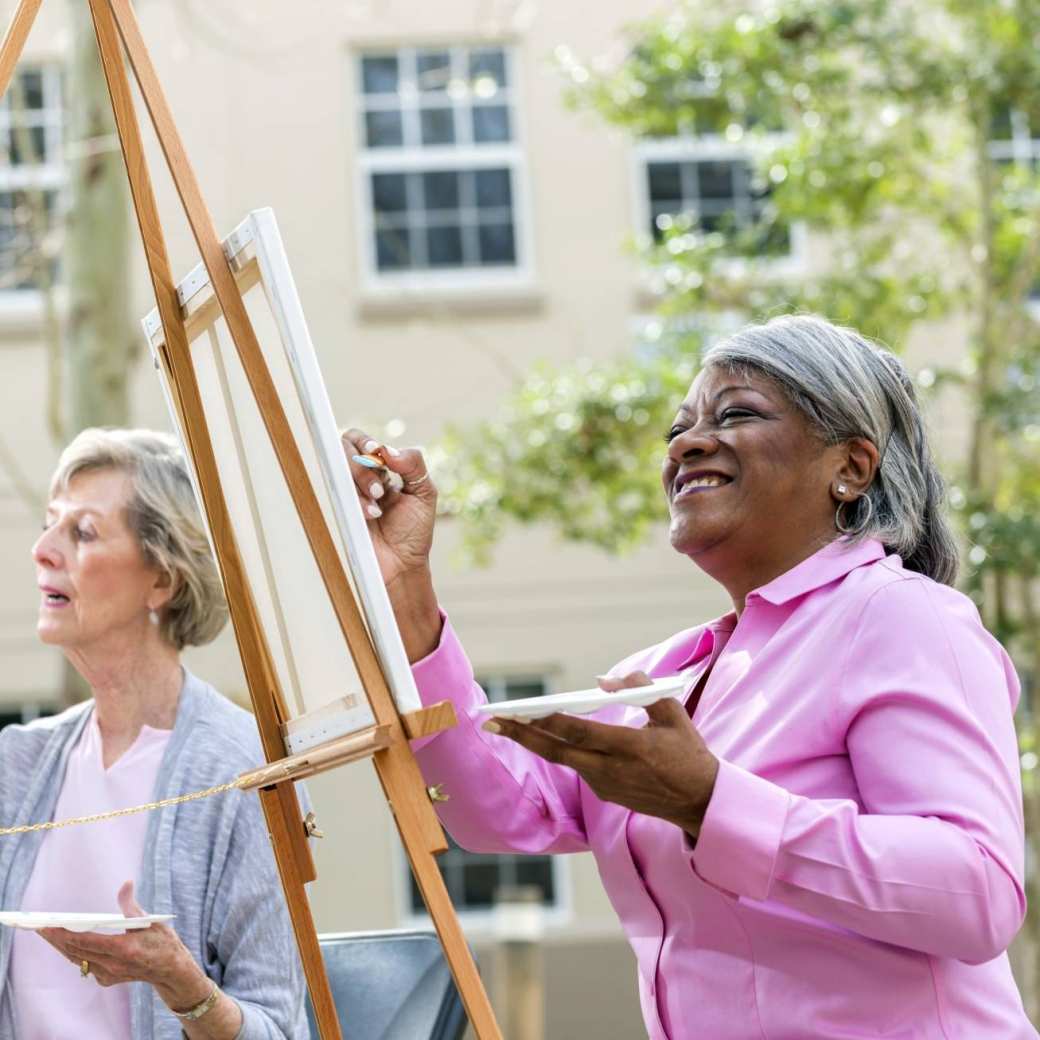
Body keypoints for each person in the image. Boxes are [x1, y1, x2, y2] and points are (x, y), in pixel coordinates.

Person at [343, 314, 1037, 1039]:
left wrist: (711, 804)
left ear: (851, 466)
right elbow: (498, 812)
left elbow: (978, 891)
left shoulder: (899, 616)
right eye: (679, 429)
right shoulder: (661, 674)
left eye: (737, 415)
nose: (688, 443)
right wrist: (407, 591)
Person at [0, 428, 308, 1039]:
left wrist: (183, 987)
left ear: (162, 581)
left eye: (82, 532)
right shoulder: (18, 762)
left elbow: (278, 1028)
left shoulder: (246, 769)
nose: (41, 550)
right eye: (48, 524)